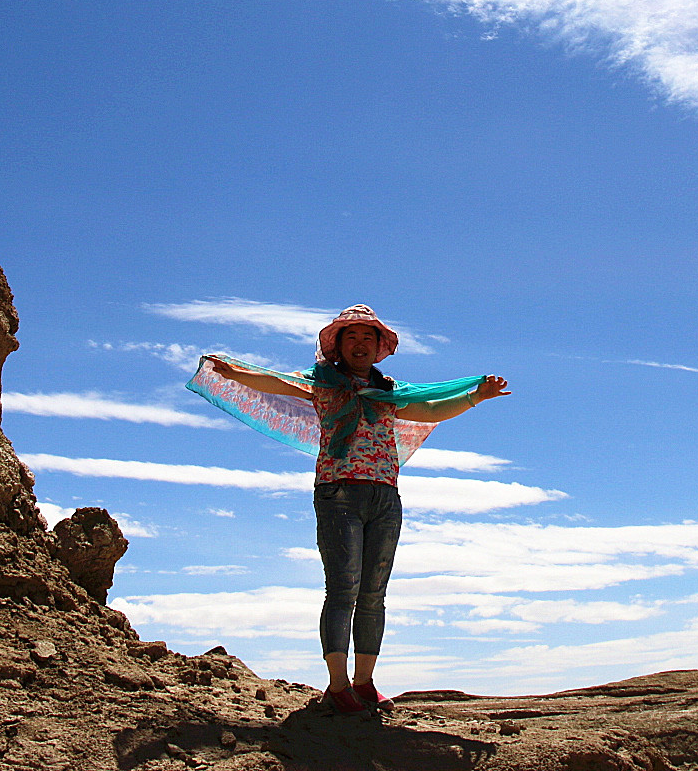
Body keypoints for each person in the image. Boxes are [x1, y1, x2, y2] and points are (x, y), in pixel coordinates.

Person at [197, 304, 509, 715]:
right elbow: (275, 382)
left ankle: (364, 682)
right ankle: (338, 685)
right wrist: (234, 373)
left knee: (374, 595)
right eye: (351, 337)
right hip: (338, 493)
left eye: (368, 337)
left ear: (378, 346)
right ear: (337, 347)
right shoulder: (321, 382)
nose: (360, 343)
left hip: (385, 497)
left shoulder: (390, 390)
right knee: (343, 589)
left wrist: (475, 396)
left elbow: (430, 408)